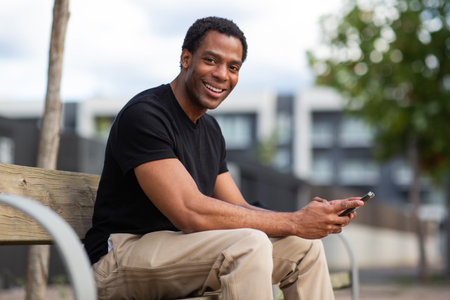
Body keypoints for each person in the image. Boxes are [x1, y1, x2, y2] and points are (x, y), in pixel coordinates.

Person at [84, 16, 364, 300]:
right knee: (249, 243)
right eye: (210, 60)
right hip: (119, 257)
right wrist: (293, 221)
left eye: (233, 67)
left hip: (180, 251)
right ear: (185, 58)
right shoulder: (146, 115)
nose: (222, 74)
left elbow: (238, 208)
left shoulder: (210, 130)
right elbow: (189, 211)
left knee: (305, 248)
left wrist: (304, 221)